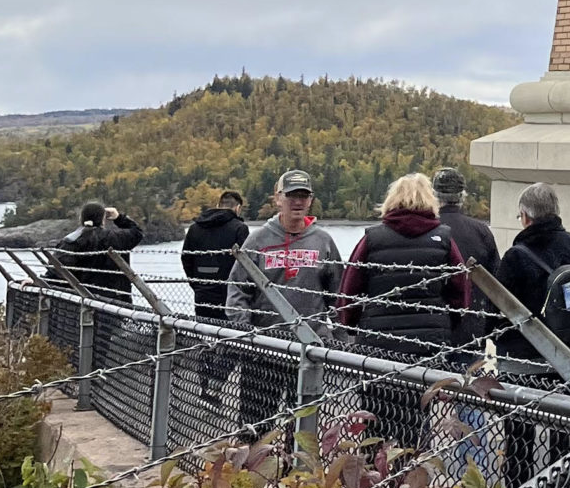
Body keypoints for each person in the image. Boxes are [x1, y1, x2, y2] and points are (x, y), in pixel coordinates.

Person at [339, 174, 473, 456]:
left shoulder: (373, 238)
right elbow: (461, 292)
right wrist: (447, 325)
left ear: (391, 201)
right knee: (417, 414)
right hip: (426, 344)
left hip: (378, 342)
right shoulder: (444, 239)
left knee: (375, 413)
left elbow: (349, 290)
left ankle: (375, 477)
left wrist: (350, 325)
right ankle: (411, 474)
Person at [490, 182, 570, 487]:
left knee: (520, 445)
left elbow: (495, 314)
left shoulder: (516, 256)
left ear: (526, 216)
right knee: (569, 440)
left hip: (523, 366)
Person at [232, 172, 344, 442]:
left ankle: (297, 478)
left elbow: (338, 294)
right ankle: (249, 478)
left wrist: (340, 337)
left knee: (303, 426)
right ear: (277, 199)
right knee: (256, 425)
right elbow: (237, 288)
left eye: (303, 196)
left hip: (309, 352)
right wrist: (245, 333)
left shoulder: (324, 242)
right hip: (264, 349)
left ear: (311, 200)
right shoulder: (258, 240)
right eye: (291, 195)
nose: (298, 202)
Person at [180, 188, 248, 387]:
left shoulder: (195, 228)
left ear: (219, 205)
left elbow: (186, 258)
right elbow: (246, 263)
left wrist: (196, 283)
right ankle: (218, 380)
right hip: (229, 293)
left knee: (206, 338)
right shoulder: (239, 228)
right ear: (237, 208)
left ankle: (204, 382)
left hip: (202, 291)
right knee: (234, 341)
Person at [55, 200, 144, 303]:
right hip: (116, 298)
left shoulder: (71, 241)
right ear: (103, 219)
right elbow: (137, 232)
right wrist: (119, 218)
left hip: (81, 298)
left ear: (81, 218)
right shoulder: (115, 238)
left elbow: (57, 269)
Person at [432, 167, 498, 274]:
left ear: (434, 196)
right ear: (462, 196)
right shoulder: (481, 231)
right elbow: (495, 275)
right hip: (473, 289)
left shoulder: (425, 229)